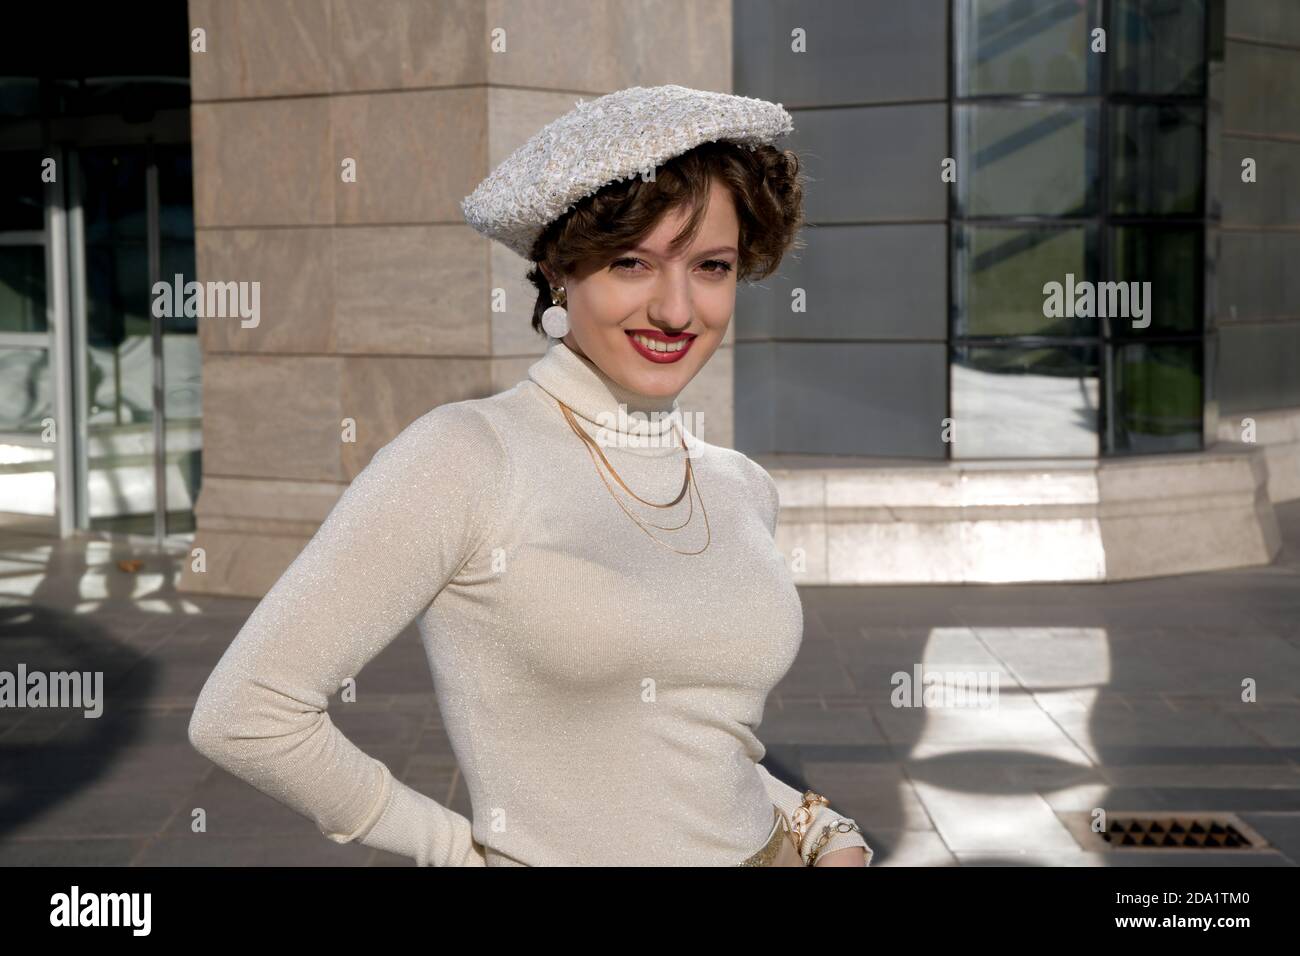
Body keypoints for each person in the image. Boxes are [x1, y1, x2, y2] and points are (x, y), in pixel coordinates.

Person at [188, 84, 872, 867]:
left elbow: (703, 735)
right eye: (632, 263)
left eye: (710, 266)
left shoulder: (741, 484)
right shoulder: (465, 456)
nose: (678, 310)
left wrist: (822, 829)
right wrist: (456, 851)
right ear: (558, 271)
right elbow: (246, 712)